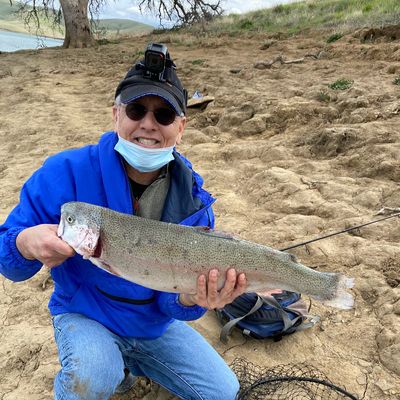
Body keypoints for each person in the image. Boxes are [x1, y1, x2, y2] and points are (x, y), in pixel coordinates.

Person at [0, 42, 247, 400]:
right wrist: (24, 243)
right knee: (90, 380)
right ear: (116, 114)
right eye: (136, 110)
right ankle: (111, 366)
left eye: (163, 115)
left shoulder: (194, 203)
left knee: (224, 392)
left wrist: (192, 299)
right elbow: (9, 264)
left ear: (181, 127)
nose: (148, 124)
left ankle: (134, 364)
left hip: (154, 328)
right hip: (87, 316)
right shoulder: (62, 172)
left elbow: (171, 305)